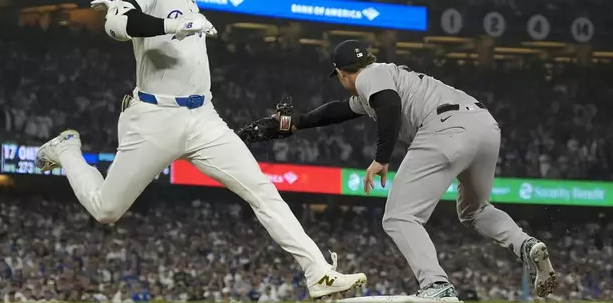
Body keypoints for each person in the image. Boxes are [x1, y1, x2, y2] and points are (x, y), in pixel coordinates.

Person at [34, 0, 366, 299]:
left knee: (261, 189)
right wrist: (160, 21)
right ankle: (66, 148)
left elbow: (132, 18)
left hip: (203, 118)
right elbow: (116, 27)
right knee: (107, 210)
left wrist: (134, 11)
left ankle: (317, 271)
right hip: (156, 118)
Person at [237, 39, 557, 301]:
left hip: (444, 129)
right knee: (474, 211)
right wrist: (294, 124)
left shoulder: (371, 76)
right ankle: (526, 245)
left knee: (398, 216)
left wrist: (382, 157)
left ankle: (437, 287)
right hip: (484, 127)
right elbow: (335, 112)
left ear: (342, 73)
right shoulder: (380, 81)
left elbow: (389, 105)